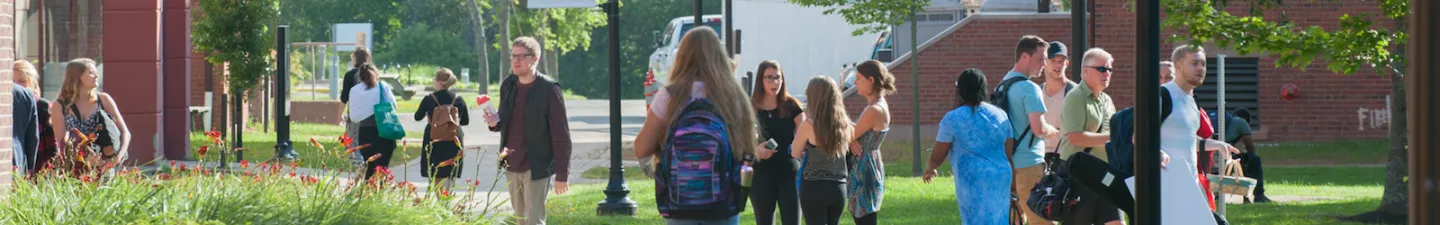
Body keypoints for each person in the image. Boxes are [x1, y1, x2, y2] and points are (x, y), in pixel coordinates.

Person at [633, 27, 757, 225]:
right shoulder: (733, 96)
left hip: (680, 203)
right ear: (719, 55)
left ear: (682, 56)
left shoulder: (670, 96)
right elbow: (748, 150)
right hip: (723, 205)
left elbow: (641, 148)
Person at [483, 36, 574, 225]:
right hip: (511, 163)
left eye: (522, 56)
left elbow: (561, 135)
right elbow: (504, 119)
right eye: (513, 56)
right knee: (520, 220)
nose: (516, 60)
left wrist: (562, 174)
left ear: (535, 59)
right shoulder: (508, 84)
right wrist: (494, 122)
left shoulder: (549, 90)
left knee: (533, 221)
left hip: (537, 165)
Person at [1153, 45, 1241, 225]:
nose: (1200, 68)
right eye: (1194, 63)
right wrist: (1158, 153)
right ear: (1178, 66)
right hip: (1165, 186)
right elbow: (1138, 137)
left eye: (1203, 64)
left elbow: (1186, 138)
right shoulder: (1162, 96)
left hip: (1190, 183)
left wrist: (1216, 144)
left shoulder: (1192, 100)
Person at [924, 68, 1014, 225]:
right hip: (1001, 177)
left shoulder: (952, 118)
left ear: (960, 90)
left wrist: (930, 167)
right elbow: (1008, 152)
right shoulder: (1000, 114)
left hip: (973, 179)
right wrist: (1014, 187)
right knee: (999, 220)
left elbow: (938, 154)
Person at [1058, 48, 1123, 225]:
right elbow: (1075, 137)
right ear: (1085, 70)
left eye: (1109, 69)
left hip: (1105, 175)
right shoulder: (1076, 97)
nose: (1107, 73)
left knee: (1116, 222)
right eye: (1102, 69)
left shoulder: (1107, 100)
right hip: (1080, 176)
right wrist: (1112, 138)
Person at [996, 35, 1056, 224]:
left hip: (1008, 165)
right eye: (1041, 59)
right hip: (1029, 164)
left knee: (1014, 218)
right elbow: (1038, 128)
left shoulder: (1003, 84)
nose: (1044, 64)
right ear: (1024, 57)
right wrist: (1052, 130)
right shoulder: (1030, 89)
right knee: (1043, 219)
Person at [51, 58, 131, 175]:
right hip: (75, 170)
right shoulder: (60, 105)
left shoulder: (103, 100)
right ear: (77, 77)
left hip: (104, 168)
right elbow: (61, 143)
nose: (97, 75)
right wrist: (83, 158)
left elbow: (125, 132)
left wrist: (117, 158)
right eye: (91, 72)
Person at [791, 76, 852, 225]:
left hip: (814, 187)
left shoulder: (809, 125)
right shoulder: (845, 124)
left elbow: (794, 152)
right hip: (838, 187)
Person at [750, 60, 803, 225]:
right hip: (761, 174)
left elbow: (807, 133)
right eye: (769, 78)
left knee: (792, 221)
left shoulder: (791, 105)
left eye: (777, 77)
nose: (774, 82)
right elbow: (739, 138)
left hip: (789, 173)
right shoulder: (751, 106)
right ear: (760, 80)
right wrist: (755, 149)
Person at [846, 60, 892, 225]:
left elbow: (848, 134)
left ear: (870, 80)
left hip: (864, 170)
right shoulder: (876, 106)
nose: (854, 82)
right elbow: (853, 134)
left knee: (864, 220)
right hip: (867, 165)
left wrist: (851, 139)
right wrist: (852, 140)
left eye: (858, 78)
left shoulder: (874, 109)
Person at [414, 68, 470, 190]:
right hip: (454, 139)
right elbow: (465, 121)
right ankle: (447, 198)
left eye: (434, 79)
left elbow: (417, 117)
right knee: (450, 171)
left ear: (439, 81)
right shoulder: (458, 99)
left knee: (436, 172)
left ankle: (440, 202)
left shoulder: (429, 99)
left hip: (434, 138)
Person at [347, 63, 399, 179]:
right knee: (382, 168)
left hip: (365, 132)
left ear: (360, 76)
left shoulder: (354, 90)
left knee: (370, 168)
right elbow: (393, 106)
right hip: (384, 131)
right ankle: (380, 193)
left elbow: (353, 116)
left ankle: (368, 193)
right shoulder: (383, 86)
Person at [1210, 108, 1270, 203]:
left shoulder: (1216, 121)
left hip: (1208, 159)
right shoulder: (1240, 122)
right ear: (1245, 119)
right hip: (1224, 160)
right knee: (1253, 159)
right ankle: (1259, 195)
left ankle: (1217, 197)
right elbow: (1250, 148)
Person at [1041, 41, 1076, 171]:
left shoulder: (1073, 92)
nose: (1057, 65)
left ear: (1066, 64)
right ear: (1044, 63)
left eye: (1061, 61)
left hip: (1065, 160)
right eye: (1053, 60)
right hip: (1041, 160)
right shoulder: (1037, 92)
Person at [14, 61, 51, 175]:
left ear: (32, 82)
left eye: (22, 81)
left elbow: (51, 143)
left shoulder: (44, 106)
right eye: (13, 81)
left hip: (40, 164)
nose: (17, 85)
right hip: (21, 164)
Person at [340, 47, 374, 166]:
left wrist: (339, 114)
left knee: (352, 142)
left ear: (355, 58)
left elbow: (344, 97)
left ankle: (359, 166)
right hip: (371, 115)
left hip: (355, 114)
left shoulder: (350, 75)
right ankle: (367, 165)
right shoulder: (373, 74)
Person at [12, 77, 38, 176]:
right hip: (17, 161)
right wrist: (30, 170)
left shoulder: (25, 94)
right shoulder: (25, 94)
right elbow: (32, 138)